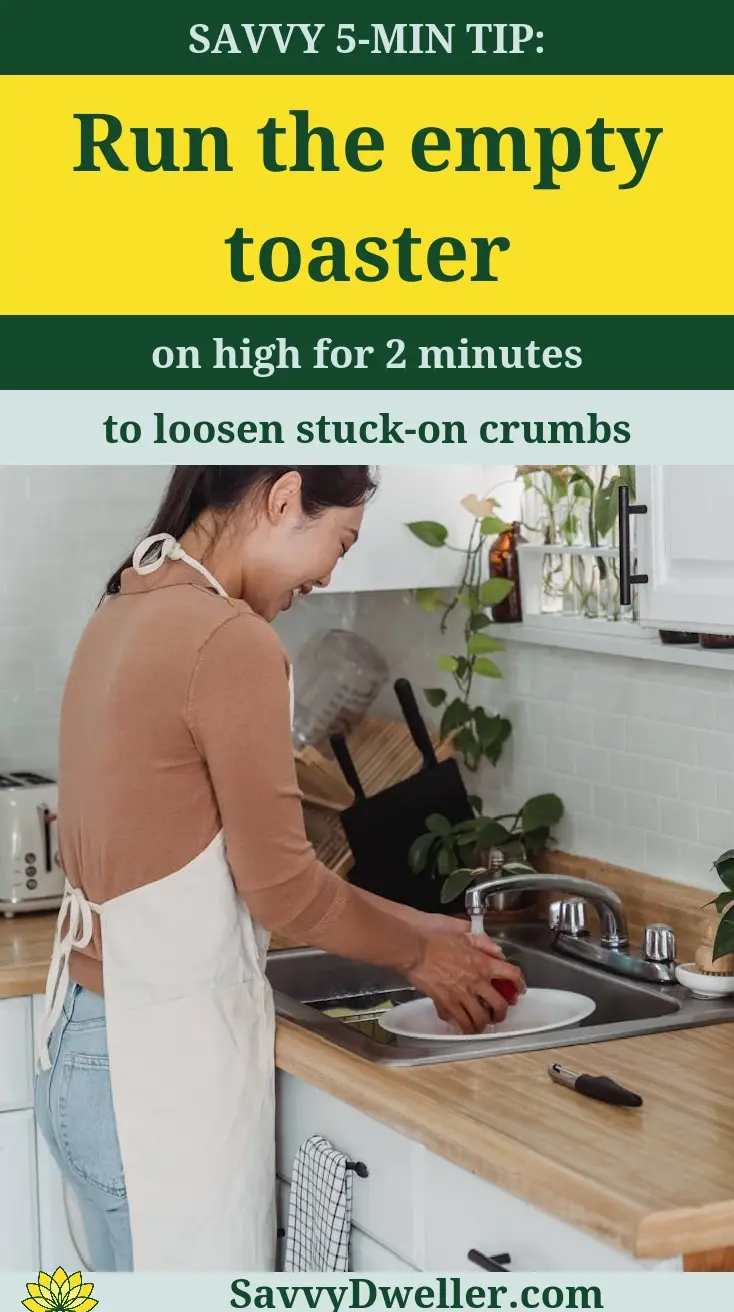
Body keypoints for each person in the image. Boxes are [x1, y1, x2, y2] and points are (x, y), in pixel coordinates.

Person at [34, 466, 524, 1274]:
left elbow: (216, 860)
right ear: (283, 496)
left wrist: (420, 925)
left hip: (87, 1050)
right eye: (340, 542)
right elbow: (282, 884)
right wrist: (418, 953)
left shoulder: (127, 601)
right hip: (158, 1075)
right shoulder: (229, 640)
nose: (331, 573)